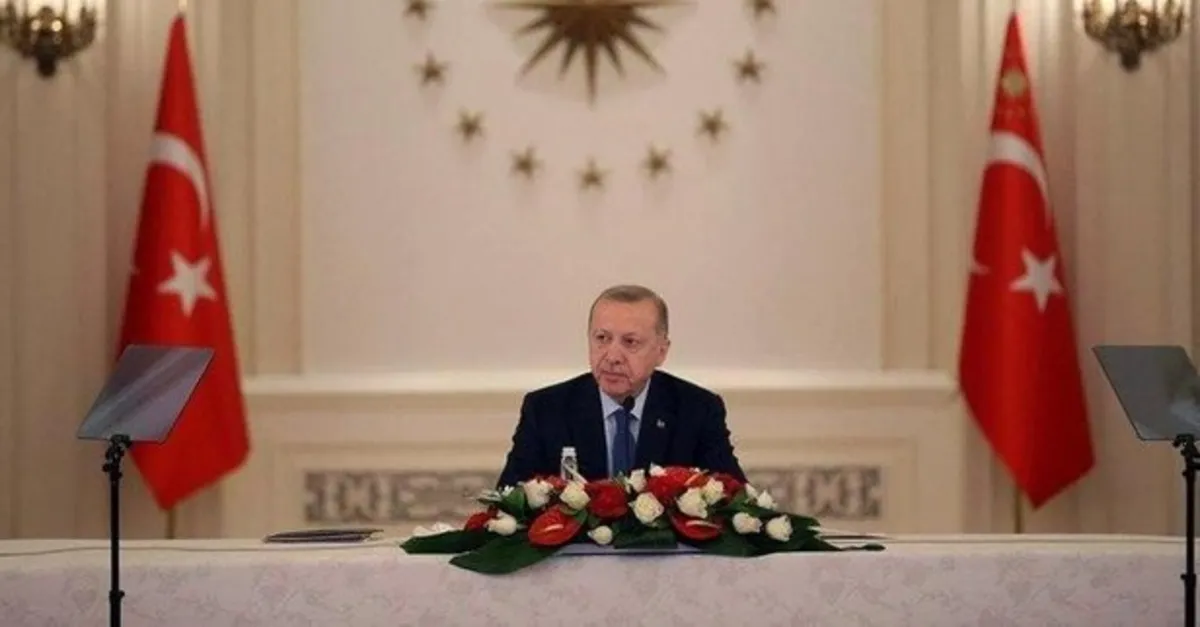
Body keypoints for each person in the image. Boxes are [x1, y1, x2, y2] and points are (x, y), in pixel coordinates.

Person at [495, 284, 747, 487]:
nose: (612, 356)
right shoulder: (546, 409)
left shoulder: (698, 409)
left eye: (630, 342)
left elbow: (735, 504)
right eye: (602, 338)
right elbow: (508, 506)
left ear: (661, 352)